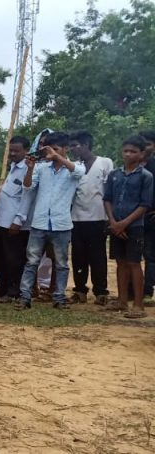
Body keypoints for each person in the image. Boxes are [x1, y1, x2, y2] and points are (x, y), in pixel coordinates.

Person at [17, 132, 84, 310]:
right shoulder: (41, 168)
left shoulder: (75, 167)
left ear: (65, 149)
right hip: (39, 223)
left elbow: (78, 172)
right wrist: (30, 168)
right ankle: (25, 297)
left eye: (55, 149)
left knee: (61, 263)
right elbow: (27, 186)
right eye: (50, 150)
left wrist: (57, 157)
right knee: (31, 261)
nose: (51, 153)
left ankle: (59, 297)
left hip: (61, 224)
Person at [103, 136, 153, 318]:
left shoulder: (145, 176)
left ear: (141, 154)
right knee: (120, 263)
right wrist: (113, 222)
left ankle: (138, 305)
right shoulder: (114, 174)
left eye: (133, 151)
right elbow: (107, 199)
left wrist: (124, 223)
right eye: (126, 151)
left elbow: (145, 204)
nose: (128, 154)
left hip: (135, 226)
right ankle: (122, 301)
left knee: (134, 263)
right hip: (116, 224)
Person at [67, 131, 115, 304]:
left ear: (86, 145)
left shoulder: (105, 162)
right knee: (78, 256)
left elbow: (111, 190)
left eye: (75, 146)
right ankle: (80, 291)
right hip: (76, 218)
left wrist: (111, 218)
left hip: (99, 218)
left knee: (98, 256)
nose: (72, 149)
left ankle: (101, 292)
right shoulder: (73, 166)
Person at [0, 136, 36, 303]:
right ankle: (1, 288)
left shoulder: (29, 169)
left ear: (26, 151)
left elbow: (27, 196)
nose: (13, 153)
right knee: (0, 256)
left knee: (14, 259)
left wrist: (18, 220)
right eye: (11, 150)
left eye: (17, 150)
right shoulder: (14, 166)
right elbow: (10, 187)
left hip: (15, 224)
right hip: (1, 220)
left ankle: (13, 291)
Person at [141, 131, 155, 300]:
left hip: (151, 217)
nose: (145, 147)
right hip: (130, 219)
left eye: (149, 144)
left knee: (150, 255)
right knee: (132, 257)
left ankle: (147, 291)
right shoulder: (131, 166)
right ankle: (131, 290)